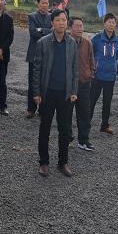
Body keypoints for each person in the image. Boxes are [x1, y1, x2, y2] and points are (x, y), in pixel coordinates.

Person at [33, 9, 79, 177]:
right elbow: (37, 69)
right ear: (52, 23)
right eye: (58, 20)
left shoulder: (72, 43)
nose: (61, 23)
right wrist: (36, 92)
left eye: (64, 20)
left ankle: (63, 162)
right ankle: (44, 162)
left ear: (67, 23)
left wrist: (74, 90)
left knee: (64, 130)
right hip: (47, 92)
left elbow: (75, 69)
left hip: (65, 94)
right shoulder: (43, 42)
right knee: (44, 128)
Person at [89, 13, 118, 134]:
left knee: (107, 102)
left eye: (113, 22)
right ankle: (86, 122)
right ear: (104, 24)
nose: (111, 25)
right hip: (97, 75)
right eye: (109, 22)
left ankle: (105, 125)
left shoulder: (117, 40)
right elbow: (90, 54)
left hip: (110, 77)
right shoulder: (97, 38)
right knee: (92, 100)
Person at [69, 16, 95, 151]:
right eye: (77, 26)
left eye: (81, 26)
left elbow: (91, 61)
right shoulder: (66, 42)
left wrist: (90, 74)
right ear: (70, 28)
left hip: (84, 84)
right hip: (68, 85)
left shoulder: (87, 43)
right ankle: (67, 139)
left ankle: (83, 140)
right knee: (66, 114)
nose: (79, 29)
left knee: (84, 114)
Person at [25, 0, 52, 118]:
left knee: (45, 82)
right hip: (34, 54)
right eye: (43, 3)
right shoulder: (32, 16)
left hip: (48, 53)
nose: (45, 5)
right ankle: (31, 109)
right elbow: (32, 33)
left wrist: (40, 30)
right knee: (33, 82)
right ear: (38, 4)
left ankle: (43, 108)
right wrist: (46, 31)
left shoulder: (52, 17)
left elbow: (54, 32)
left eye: (47, 3)